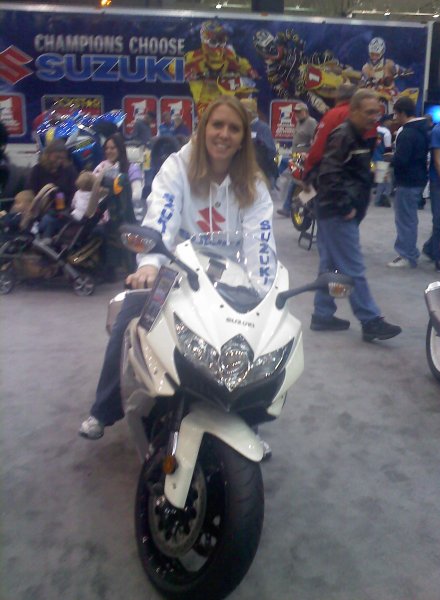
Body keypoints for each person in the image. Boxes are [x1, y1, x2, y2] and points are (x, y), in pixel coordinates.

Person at [79, 96, 275, 456]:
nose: (224, 134)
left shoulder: (254, 184)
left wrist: (264, 289)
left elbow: (260, 241)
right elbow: (162, 215)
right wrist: (150, 263)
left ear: (243, 138)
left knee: (253, 340)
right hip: (176, 268)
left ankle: (248, 423)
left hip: (230, 279)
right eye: (217, 125)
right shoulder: (177, 167)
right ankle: (104, 409)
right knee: (131, 317)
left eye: (234, 129)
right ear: (203, 128)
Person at [310, 89, 401, 342]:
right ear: (354, 111)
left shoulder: (358, 136)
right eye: (369, 112)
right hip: (337, 212)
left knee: (331, 265)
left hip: (333, 210)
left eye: (377, 113)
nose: (374, 117)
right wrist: (344, 206)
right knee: (352, 267)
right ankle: (370, 319)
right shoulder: (344, 136)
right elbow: (329, 175)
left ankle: (322, 314)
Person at [93, 133, 143, 278]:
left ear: (120, 149)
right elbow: (93, 190)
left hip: (126, 214)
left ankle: (129, 268)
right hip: (105, 213)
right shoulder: (101, 168)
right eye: (107, 148)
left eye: (113, 148)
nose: (109, 151)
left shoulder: (131, 168)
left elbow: (136, 193)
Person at [387, 97, 428, 269]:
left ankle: (406, 254)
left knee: (405, 219)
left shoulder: (407, 133)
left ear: (403, 113)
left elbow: (402, 159)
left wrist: (391, 158)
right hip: (418, 178)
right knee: (410, 218)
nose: (395, 118)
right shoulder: (423, 129)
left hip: (407, 181)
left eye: (396, 114)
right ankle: (410, 251)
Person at [26, 139, 78, 240]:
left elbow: (74, 192)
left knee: (50, 219)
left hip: (63, 210)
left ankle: (46, 240)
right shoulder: (38, 170)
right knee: (47, 219)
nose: (59, 161)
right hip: (40, 209)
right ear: (48, 155)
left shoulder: (69, 170)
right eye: (57, 157)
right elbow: (30, 191)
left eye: (62, 158)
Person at [422, 96, 440, 272]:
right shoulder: (438, 131)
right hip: (439, 181)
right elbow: (437, 160)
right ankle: (438, 257)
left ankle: (430, 248)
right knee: (439, 219)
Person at [277, 102, 317, 217]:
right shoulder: (299, 122)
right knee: (294, 181)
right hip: (296, 156)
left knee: (298, 182)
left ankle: (292, 206)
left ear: (306, 112)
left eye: (300, 111)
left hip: (304, 158)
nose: (297, 113)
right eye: (296, 112)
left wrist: (309, 153)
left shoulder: (311, 122)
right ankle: (292, 206)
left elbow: (316, 139)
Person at [240, 97, 278, 189]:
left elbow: (271, 152)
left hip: (261, 174)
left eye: (241, 112)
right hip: (242, 173)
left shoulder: (263, 128)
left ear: (249, 113)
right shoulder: (241, 127)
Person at [373, 115, 393, 207]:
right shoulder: (387, 133)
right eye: (390, 120)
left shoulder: (375, 129)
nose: (391, 122)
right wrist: (389, 160)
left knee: (381, 180)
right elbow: (388, 150)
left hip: (372, 160)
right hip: (382, 159)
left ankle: (380, 198)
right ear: (385, 121)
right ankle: (379, 199)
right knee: (385, 181)